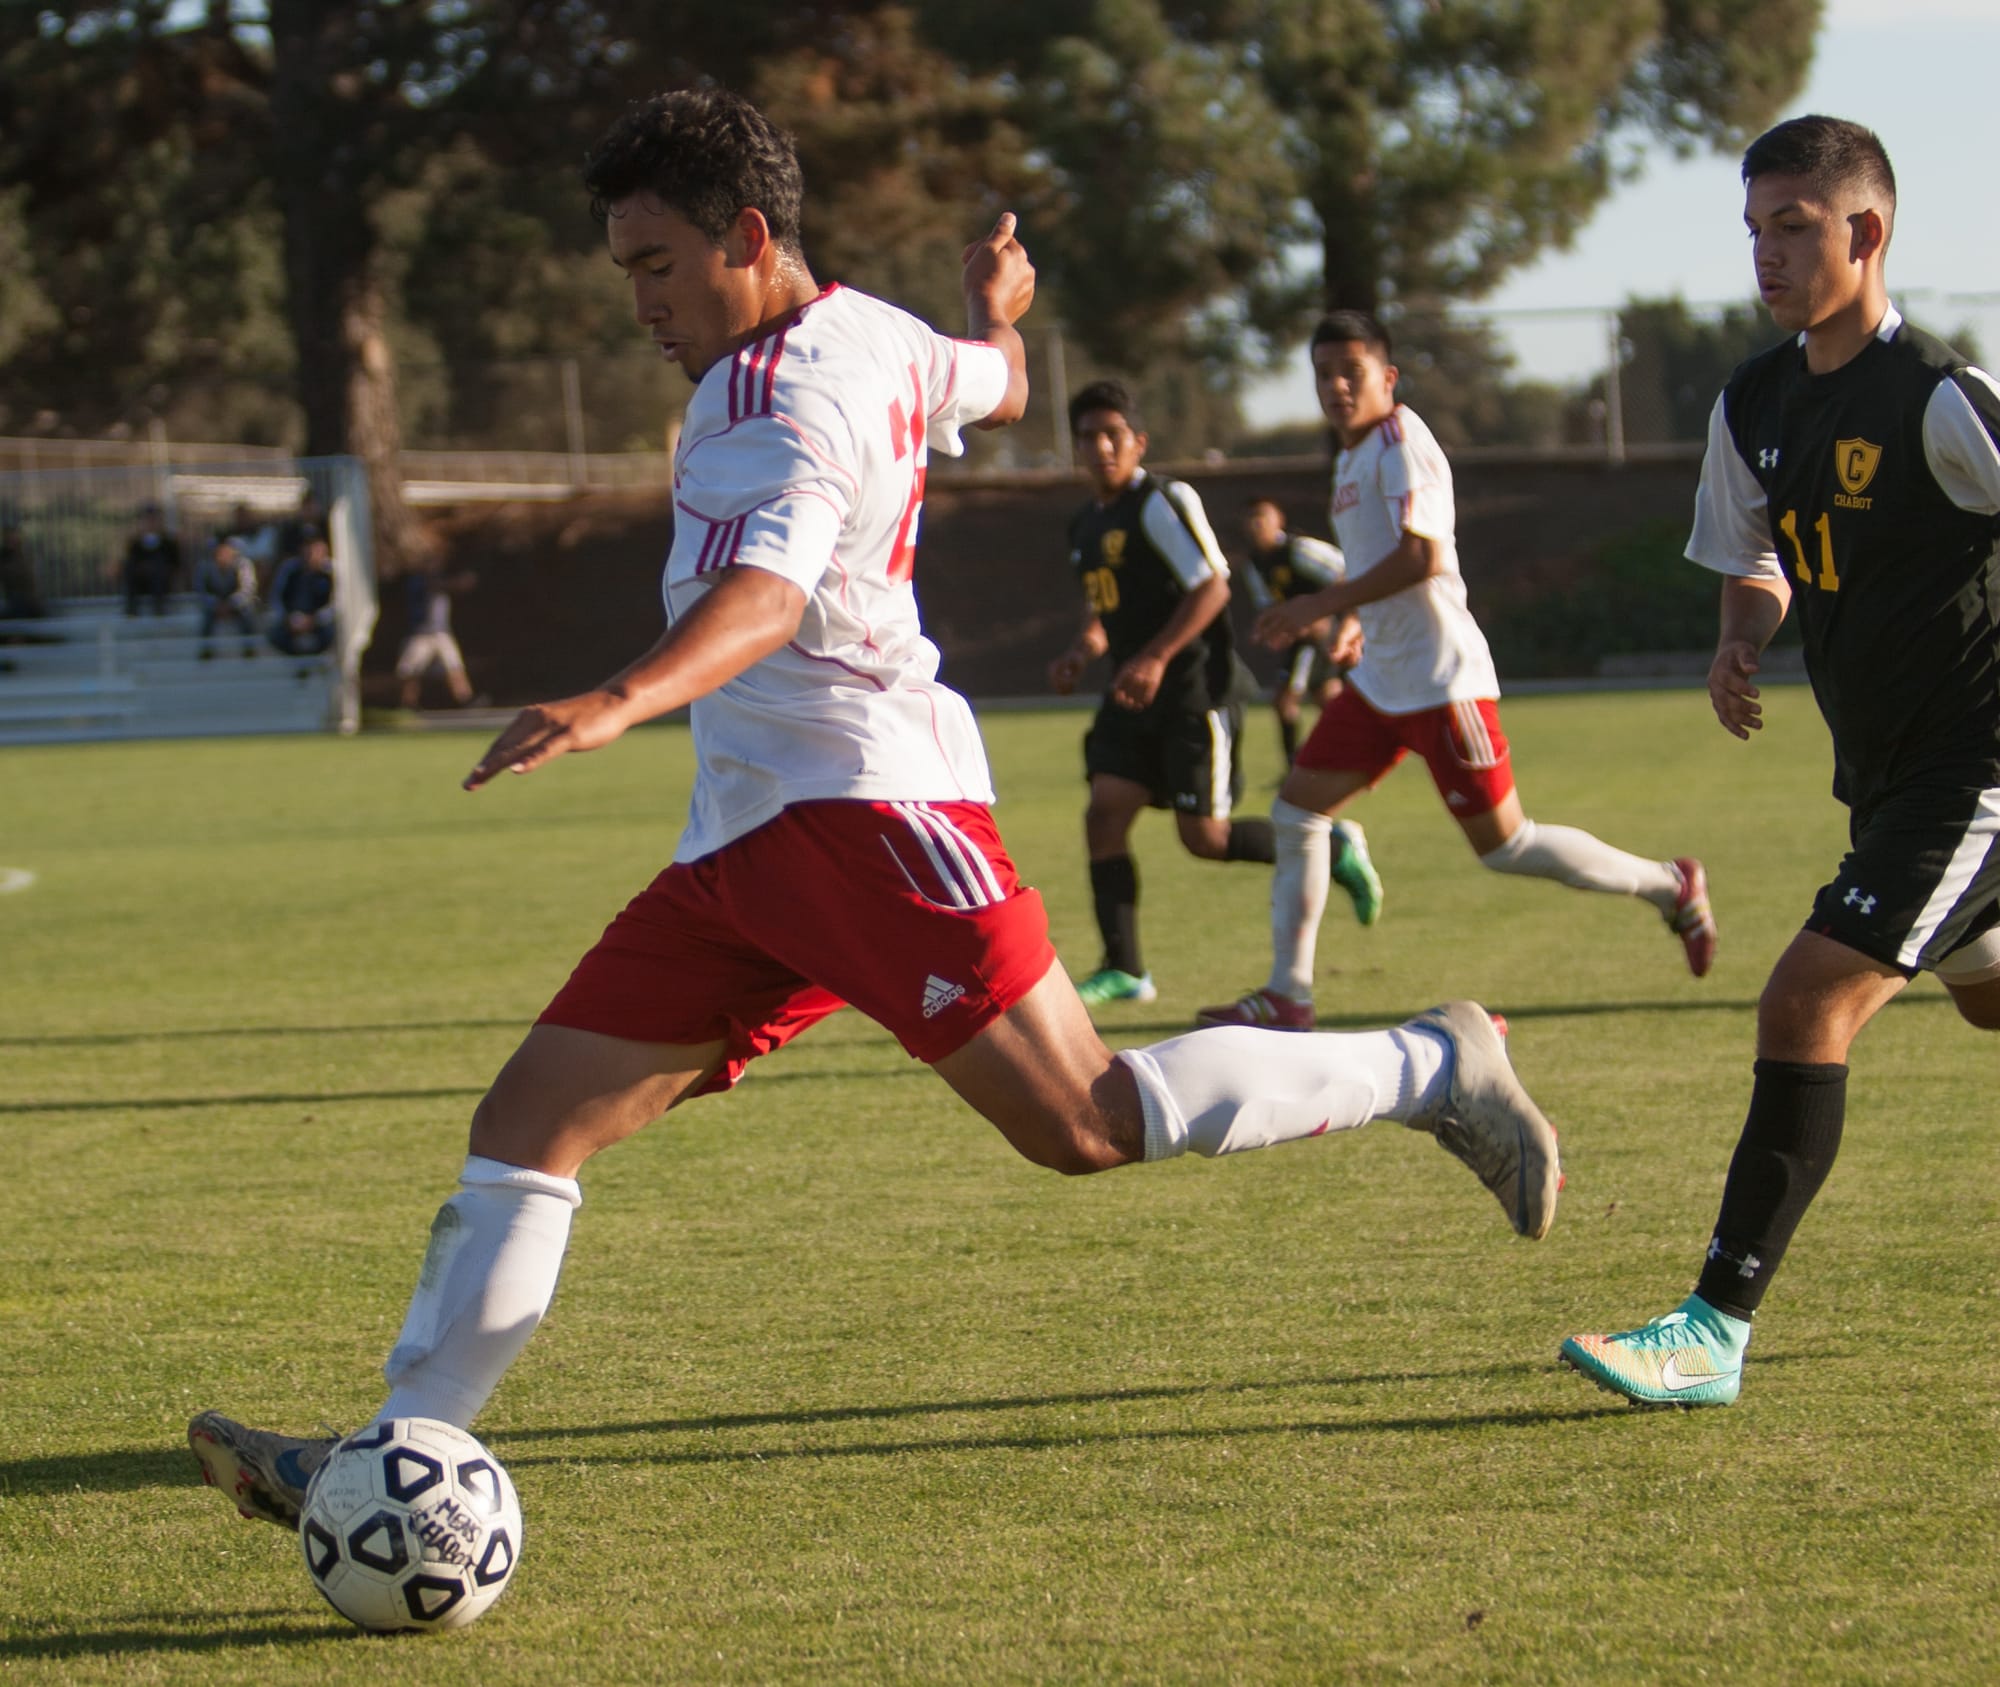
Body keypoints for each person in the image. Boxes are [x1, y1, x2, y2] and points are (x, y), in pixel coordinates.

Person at [187, 87, 1563, 1528]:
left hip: (868, 815)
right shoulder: (888, 332)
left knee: (1087, 1119)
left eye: (656, 265)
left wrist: (614, 698)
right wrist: (996, 306)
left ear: (750, 236)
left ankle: (1433, 1063)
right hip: (747, 842)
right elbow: (1002, 382)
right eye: (625, 272)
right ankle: (390, 1454)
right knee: (530, 1118)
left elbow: (769, 599)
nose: (640, 302)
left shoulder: (774, 396)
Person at [1561, 115, 2000, 1408]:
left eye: (1794, 225)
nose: (1767, 252)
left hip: (1977, 775)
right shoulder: (1754, 402)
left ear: (1866, 232)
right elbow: (1756, 551)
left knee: (1804, 998)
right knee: (1986, 996)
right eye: (1754, 227)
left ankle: (1712, 1326)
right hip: (1883, 776)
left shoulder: (1939, 397)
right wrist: (1739, 636)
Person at [1196, 310, 1719, 1034]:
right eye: (1323, 374)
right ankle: (1290, 993)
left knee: (1506, 846)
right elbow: (1381, 567)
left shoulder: (1403, 443)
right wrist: (1352, 626)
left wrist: (1322, 603)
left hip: (1444, 681)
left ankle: (1671, 884)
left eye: (1352, 371)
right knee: (1296, 811)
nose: (1337, 386)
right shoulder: (1350, 459)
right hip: (1382, 682)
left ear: (1388, 376)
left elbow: (1422, 558)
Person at [1046, 382, 1282, 1007]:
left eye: (1112, 435)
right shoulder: (1086, 525)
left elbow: (1213, 586)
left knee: (1203, 838)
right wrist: (1082, 651)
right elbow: (1106, 607)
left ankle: (1323, 844)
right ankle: (1125, 968)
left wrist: (1154, 656)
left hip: (1191, 691)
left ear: (1138, 443)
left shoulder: (1162, 501)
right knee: (1104, 815)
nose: (1100, 447)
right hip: (1132, 692)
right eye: (1088, 437)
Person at [1239, 495, 1356, 766]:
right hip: (1300, 638)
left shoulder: (1300, 550)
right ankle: (1349, 756)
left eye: (1263, 516)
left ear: (1279, 520)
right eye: (1251, 517)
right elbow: (1267, 605)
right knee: (1329, 699)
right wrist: (1268, 629)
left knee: (1284, 700)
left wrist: (1325, 614)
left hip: (1318, 637)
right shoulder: (1255, 563)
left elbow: (1346, 575)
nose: (1257, 523)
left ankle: (1296, 765)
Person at [397, 561, 479, 708]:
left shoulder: (436, 580)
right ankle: (408, 703)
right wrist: (460, 582)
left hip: (441, 632)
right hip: (421, 633)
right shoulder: (419, 580)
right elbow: (438, 585)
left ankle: (465, 699)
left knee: (455, 667)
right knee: (409, 671)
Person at [267, 534, 335, 656]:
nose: (311, 553)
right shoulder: (289, 569)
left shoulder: (330, 573)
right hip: (291, 620)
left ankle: (315, 661)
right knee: (275, 634)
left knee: (328, 633)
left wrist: (314, 619)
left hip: (318, 622)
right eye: (308, 548)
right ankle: (296, 663)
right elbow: (276, 597)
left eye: (316, 549)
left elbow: (335, 603)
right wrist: (288, 618)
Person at [195, 535, 260, 659]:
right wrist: (216, 604)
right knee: (206, 617)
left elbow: (248, 589)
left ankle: (249, 649)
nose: (223, 554)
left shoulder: (243, 564)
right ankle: (206, 650)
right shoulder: (205, 566)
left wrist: (231, 604)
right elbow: (200, 590)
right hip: (214, 605)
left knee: (247, 615)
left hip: (238, 605)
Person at [120, 502, 180, 617]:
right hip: (140, 583)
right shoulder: (135, 543)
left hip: (161, 584)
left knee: (159, 563)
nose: (150, 523)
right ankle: (131, 607)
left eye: (154, 519)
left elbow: (175, 563)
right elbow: (130, 562)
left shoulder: (167, 542)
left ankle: (159, 606)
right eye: (147, 520)